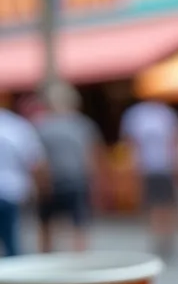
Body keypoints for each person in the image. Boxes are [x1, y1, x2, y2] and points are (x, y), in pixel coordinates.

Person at [33, 82, 102, 252]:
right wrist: (94, 182)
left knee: (46, 225)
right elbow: (91, 156)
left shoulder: (41, 125)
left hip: (50, 182)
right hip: (76, 181)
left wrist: (40, 184)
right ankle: (79, 265)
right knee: (79, 225)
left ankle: (46, 261)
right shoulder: (82, 124)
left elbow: (38, 160)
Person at [120, 97, 178, 257]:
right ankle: (158, 238)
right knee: (153, 204)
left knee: (167, 204)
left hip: (165, 167)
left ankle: (166, 237)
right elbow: (131, 142)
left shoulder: (166, 114)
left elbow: (174, 140)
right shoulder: (137, 114)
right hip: (146, 168)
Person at [0, 99, 46, 256]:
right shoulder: (17, 126)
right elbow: (34, 160)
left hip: (11, 192)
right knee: (12, 242)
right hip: (13, 191)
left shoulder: (17, 126)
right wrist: (39, 187)